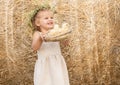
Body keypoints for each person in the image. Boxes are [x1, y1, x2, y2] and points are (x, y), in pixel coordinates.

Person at [30, 5, 70, 85]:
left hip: (57, 63)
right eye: (46, 18)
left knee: (59, 81)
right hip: (45, 65)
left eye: (51, 17)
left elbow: (65, 44)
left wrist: (64, 36)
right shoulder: (37, 34)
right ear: (38, 23)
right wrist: (40, 39)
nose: (50, 19)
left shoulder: (56, 32)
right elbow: (35, 47)